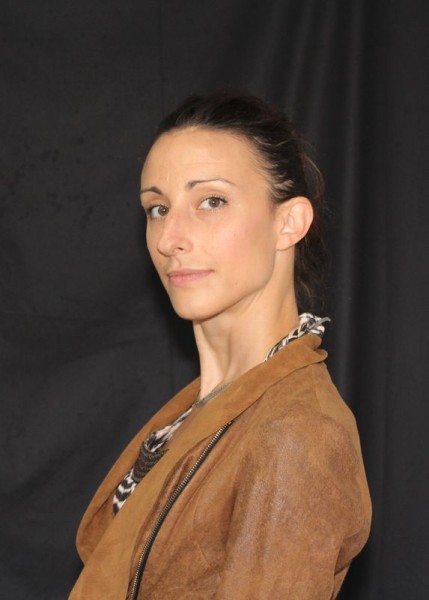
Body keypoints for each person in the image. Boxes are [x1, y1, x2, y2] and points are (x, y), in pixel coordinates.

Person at [69, 92, 371, 600]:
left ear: (289, 222)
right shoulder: (198, 411)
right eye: (158, 208)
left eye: (211, 201)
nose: (169, 238)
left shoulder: (296, 433)